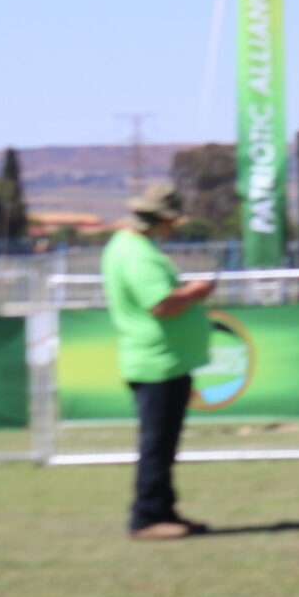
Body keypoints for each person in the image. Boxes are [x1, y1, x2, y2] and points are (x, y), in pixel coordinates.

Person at [102, 182, 217, 541]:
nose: (173, 228)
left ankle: (164, 511)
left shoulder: (130, 247)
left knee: (163, 444)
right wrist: (196, 292)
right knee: (157, 444)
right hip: (157, 363)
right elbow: (161, 304)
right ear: (160, 219)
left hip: (162, 361)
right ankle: (147, 517)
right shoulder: (137, 254)